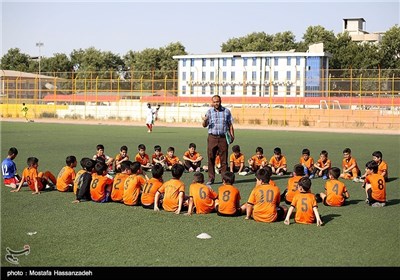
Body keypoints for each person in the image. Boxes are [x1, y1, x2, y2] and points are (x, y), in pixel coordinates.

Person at [202, 95, 234, 185]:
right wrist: (204, 120)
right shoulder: (209, 112)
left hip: (223, 137)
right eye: (215, 102)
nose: (216, 103)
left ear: (220, 101)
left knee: (224, 159)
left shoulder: (226, 112)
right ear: (212, 102)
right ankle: (211, 178)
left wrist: (232, 135)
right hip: (212, 137)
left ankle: (225, 178)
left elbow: (230, 124)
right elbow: (204, 125)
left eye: (218, 101)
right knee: (211, 157)